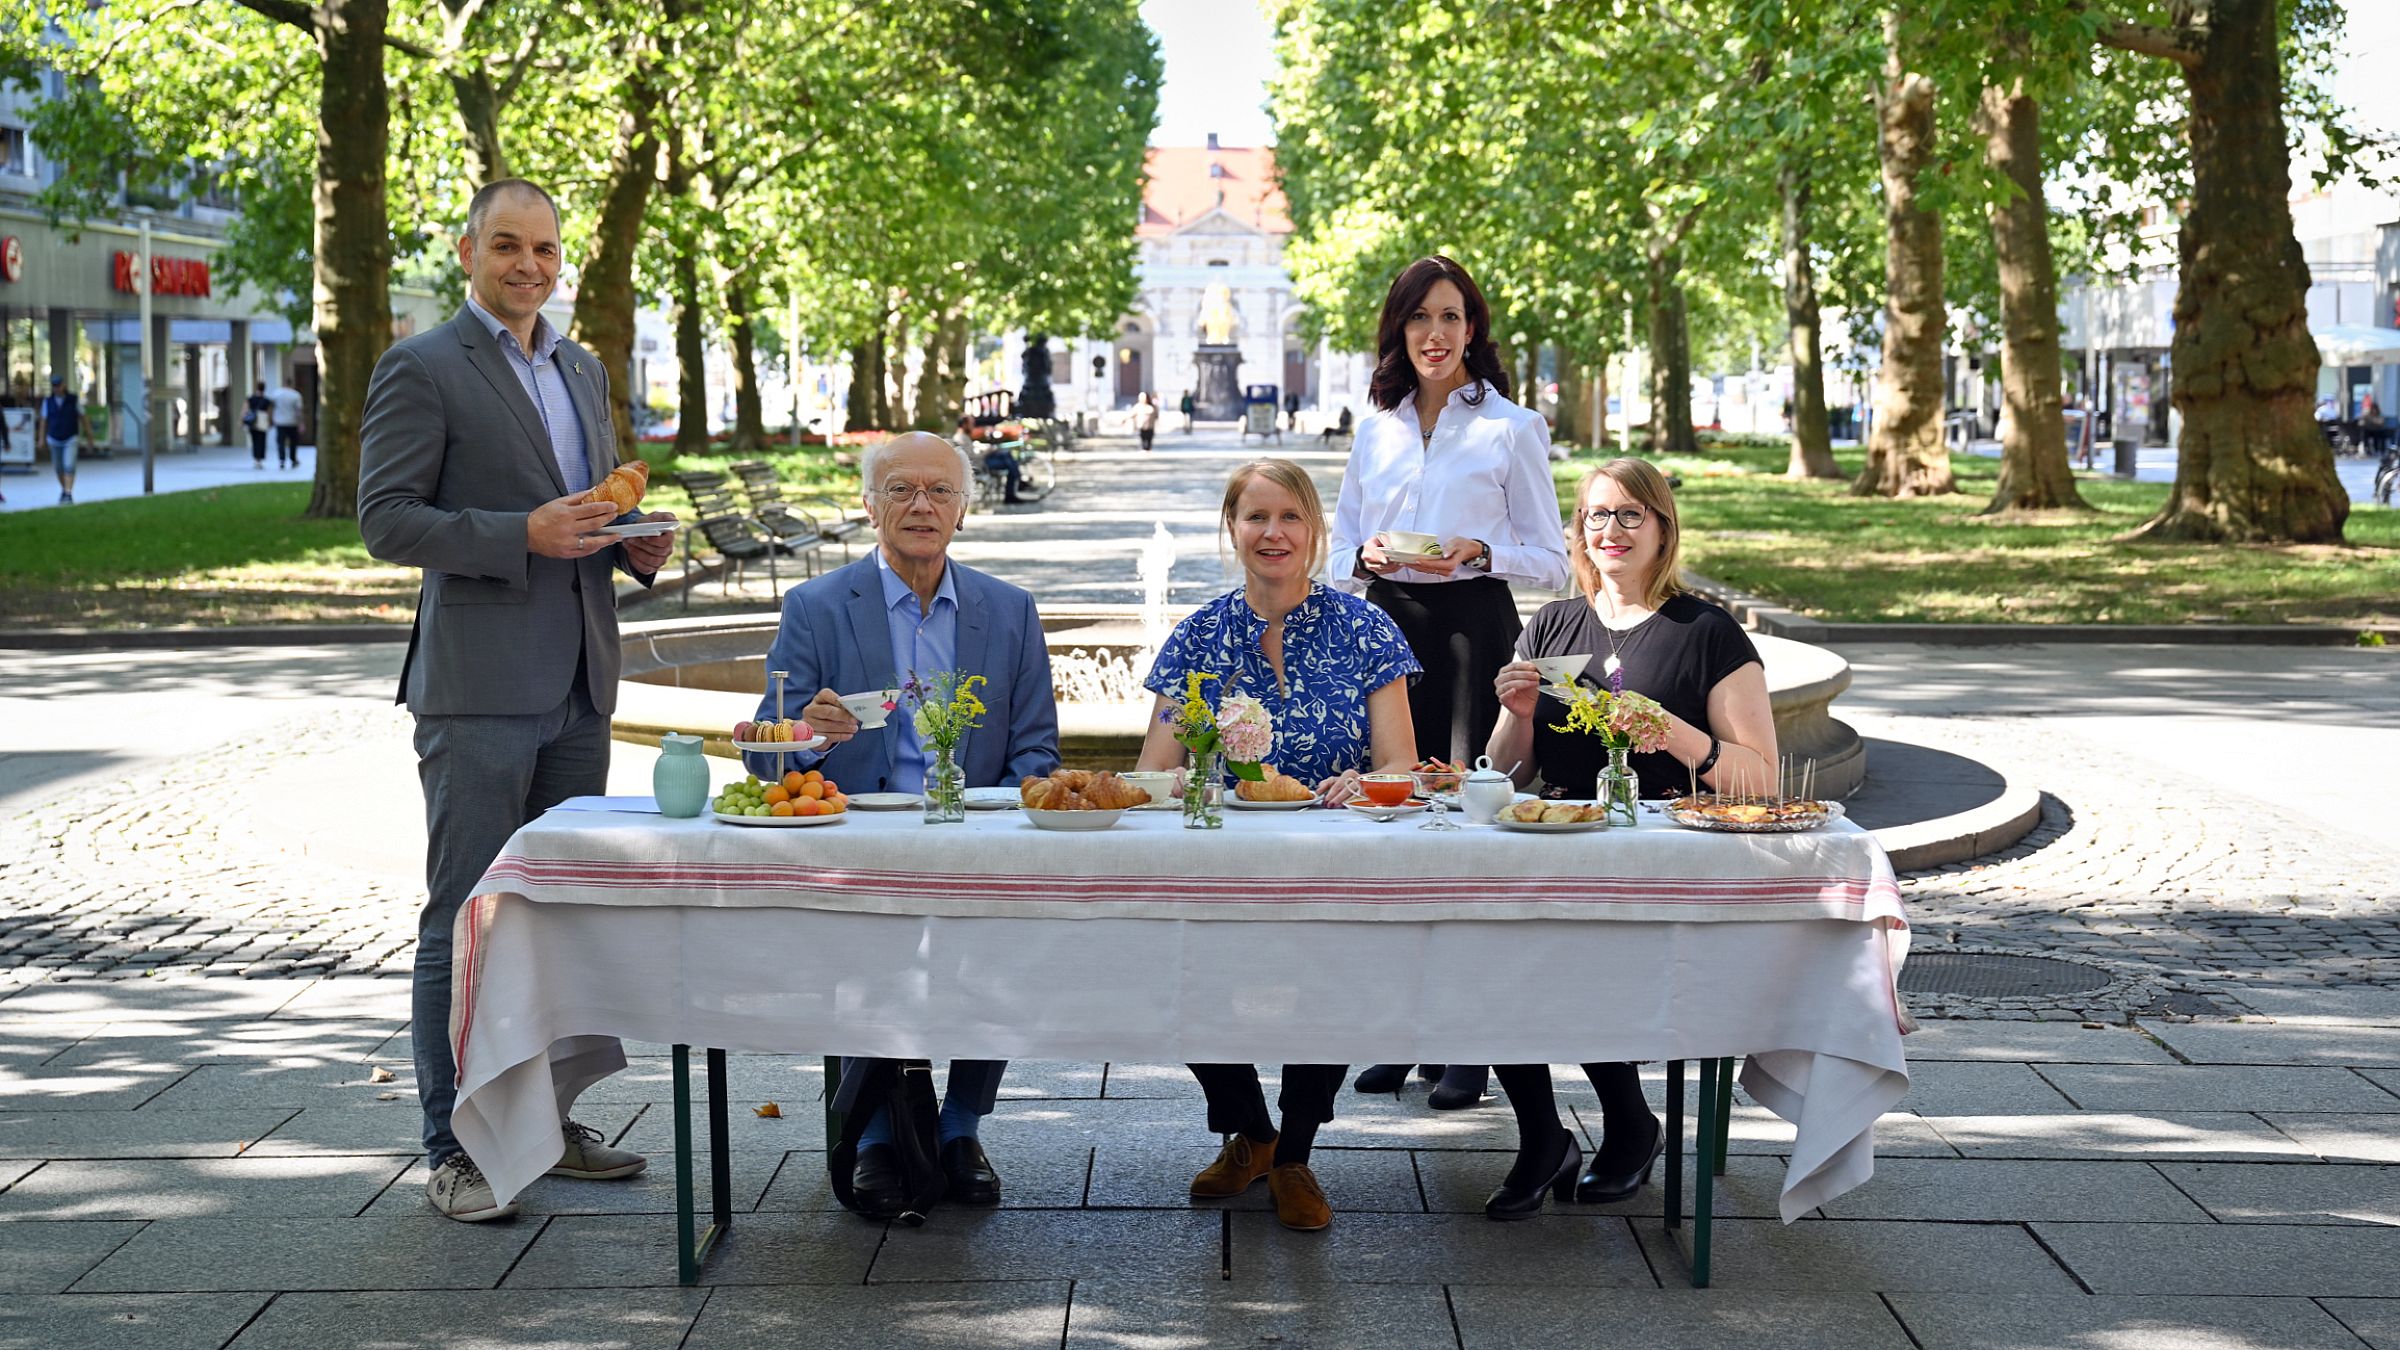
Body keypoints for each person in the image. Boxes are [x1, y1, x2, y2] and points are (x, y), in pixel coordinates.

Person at [358, 177, 678, 1223]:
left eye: (544, 248)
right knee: (465, 919)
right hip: (481, 688)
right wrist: (516, 535)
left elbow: (581, 509)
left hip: (583, 682)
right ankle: (452, 1145)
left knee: (553, 917)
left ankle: (540, 1125)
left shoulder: (581, 366)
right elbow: (388, 521)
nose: (529, 265)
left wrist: (634, 547)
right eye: (507, 245)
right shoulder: (420, 367)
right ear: (467, 251)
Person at [753, 429, 1061, 1217]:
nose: (921, 505)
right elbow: (762, 755)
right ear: (868, 504)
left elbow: (1035, 748)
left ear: (964, 508)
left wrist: (1009, 811)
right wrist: (805, 736)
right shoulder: (817, 608)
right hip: (859, 834)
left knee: (1002, 930)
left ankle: (960, 1126)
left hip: (979, 834)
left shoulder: (1010, 610)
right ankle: (873, 1139)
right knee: (865, 939)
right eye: (900, 490)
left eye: (939, 491)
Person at [1477, 457, 1778, 1220]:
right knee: (1483, 949)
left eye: (1628, 515)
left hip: (1672, 858)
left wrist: (1672, 732)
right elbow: (1507, 771)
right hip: (1565, 845)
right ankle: (1543, 1136)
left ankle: (1630, 1125)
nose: (1609, 530)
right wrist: (1515, 709)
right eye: (1595, 516)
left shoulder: (1706, 632)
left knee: (1560, 955)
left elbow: (1762, 781)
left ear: (1662, 528)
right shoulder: (1552, 624)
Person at [1134, 458, 1420, 1232]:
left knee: (1325, 985)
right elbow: (1153, 773)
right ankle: (1250, 1132)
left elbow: (1400, 761)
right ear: (1232, 529)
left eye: (1290, 517)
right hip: (1222, 864)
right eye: (1256, 517)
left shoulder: (1365, 627)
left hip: (1336, 861)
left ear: (1315, 530)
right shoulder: (1198, 634)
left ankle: (1295, 1153)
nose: (1273, 533)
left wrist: (1365, 783)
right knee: (1177, 969)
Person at [1330, 254, 1571, 1111]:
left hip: (1475, 632)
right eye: (1419, 318)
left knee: (1470, 834)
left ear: (1473, 329)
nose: (1435, 335)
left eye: (1451, 317)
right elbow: (1340, 546)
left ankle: (1470, 1045)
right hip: (1388, 627)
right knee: (1393, 828)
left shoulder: (1513, 427)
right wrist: (1357, 556)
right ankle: (1405, 1029)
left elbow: (1553, 558)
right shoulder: (1375, 427)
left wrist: (1480, 551)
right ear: (1400, 329)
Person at [38, 375, 87, 504]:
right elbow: (44, 421)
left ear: (63, 385)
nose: (57, 388)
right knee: (59, 468)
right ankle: (64, 490)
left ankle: (68, 492)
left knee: (69, 465)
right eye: (54, 386)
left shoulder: (73, 399)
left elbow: (83, 417)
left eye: (58, 385)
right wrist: (41, 439)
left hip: (70, 437)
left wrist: (89, 435)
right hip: (54, 438)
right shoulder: (47, 401)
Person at [269, 380, 305, 468]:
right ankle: (293, 459)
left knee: (280, 442)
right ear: (291, 384)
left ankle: (282, 460)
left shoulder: (276, 394)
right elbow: (298, 411)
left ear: (284, 384)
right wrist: (301, 423)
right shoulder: (296, 395)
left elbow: (271, 407)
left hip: (280, 422)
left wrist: (271, 419)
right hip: (292, 422)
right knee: (293, 442)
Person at [243, 381, 273, 468]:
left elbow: (245, 410)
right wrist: (270, 422)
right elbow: (269, 412)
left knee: (254, 440)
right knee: (262, 440)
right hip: (263, 421)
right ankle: (259, 459)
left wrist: (242, 420)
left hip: (253, 421)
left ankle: (256, 458)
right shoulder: (267, 400)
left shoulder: (251, 398)